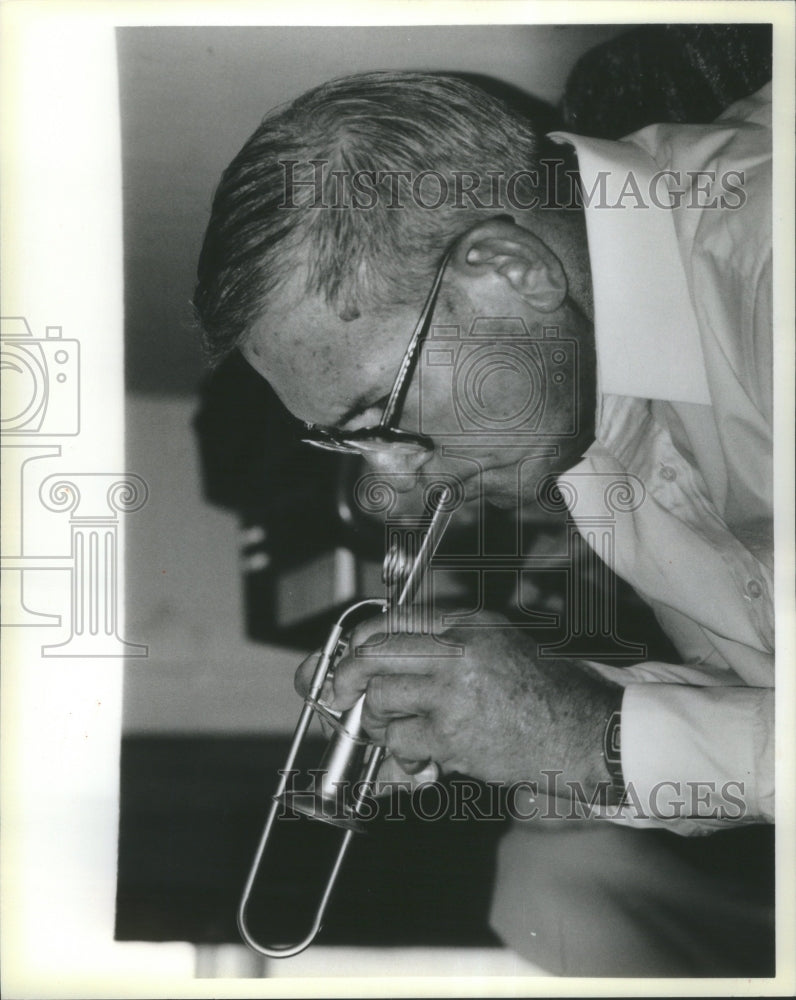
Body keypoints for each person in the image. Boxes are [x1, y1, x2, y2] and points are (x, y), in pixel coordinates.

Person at [194, 71, 774, 976]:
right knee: (554, 876)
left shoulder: (770, 262)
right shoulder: (585, 417)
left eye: (382, 421)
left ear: (509, 271)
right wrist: (541, 707)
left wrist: (589, 738)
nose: (393, 484)